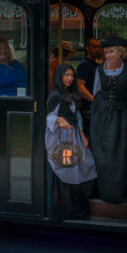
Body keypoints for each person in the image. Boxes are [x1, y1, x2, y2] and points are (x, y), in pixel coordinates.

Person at [46, 63, 97, 220]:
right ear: (59, 76)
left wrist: (82, 134)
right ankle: (65, 209)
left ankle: (78, 206)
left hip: (74, 135)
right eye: (66, 75)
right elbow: (49, 117)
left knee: (84, 164)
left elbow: (77, 116)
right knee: (67, 169)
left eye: (71, 75)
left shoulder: (70, 94)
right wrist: (60, 119)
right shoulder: (56, 96)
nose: (69, 78)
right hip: (62, 138)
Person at [90, 37, 127, 204]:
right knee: (104, 154)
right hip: (103, 116)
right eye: (106, 52)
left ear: (120, 52)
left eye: (111, 51)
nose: (108, 55)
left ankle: (122, 192)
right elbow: (97, 91)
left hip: (123, 116)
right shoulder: (100, 69)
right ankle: (103, 191)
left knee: (122, 153)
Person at [76, 38, 102, 136]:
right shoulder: (84, 65)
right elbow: (80, 87)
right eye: (94, 46)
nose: (97, 49)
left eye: (99, 47)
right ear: (87, 48)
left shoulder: (95, 65)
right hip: (88, 109)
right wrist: (94, 100)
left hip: (95, 108)